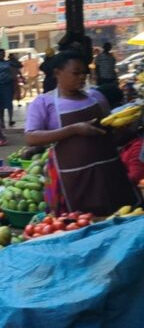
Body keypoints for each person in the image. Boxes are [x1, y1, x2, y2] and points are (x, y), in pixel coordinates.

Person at [25, 51, 139, 216]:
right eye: (76, 73)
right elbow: (31, 137)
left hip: (108, 172)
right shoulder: (44, 103)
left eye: (84, 73)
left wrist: (128, 128)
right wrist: (73, 129)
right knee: (79, 222)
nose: (82, 77)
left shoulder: (96, 97)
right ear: (57, 72)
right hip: (71, 177)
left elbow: (112, 134)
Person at [0, 49, 16, 128]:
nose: (1, 55)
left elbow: (19, 65)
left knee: (9, 103)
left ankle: (10, 120)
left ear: (4, 55)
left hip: (8, 84)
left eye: (3, 54)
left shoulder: (9, 62)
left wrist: (13, 58)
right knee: (0, 104)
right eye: (0, 54)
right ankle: (2, 121)